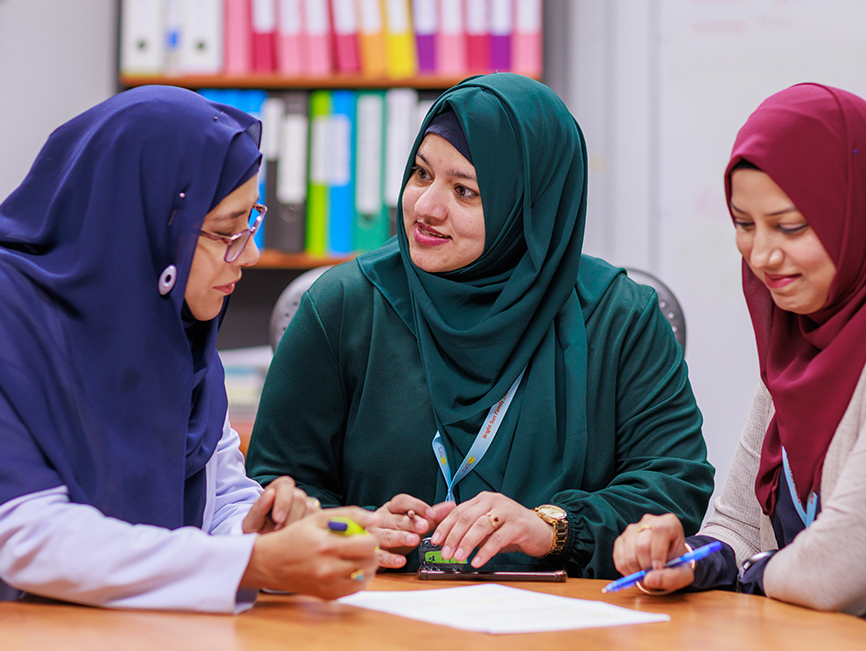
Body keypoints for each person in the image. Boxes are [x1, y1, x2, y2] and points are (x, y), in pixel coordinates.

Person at [246, 73, 714, 577]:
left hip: (567, 619)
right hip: (374, 612)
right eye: (421, 175)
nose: (425, 207)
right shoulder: (344, 305)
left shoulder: (619, 317)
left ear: (527, 206)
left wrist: (554, 527)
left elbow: (673, 482)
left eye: (465, 190)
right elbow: (276, 488)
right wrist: (348, 527)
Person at [0, 86, 378, 612]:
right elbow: (27, 536)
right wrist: (252, 563)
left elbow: (218, 493)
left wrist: (260, 530)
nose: (249, 253)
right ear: (151, 225)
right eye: (228, 231)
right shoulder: (12, 319)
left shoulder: (174, 322)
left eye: (252, 220)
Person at [611, 82, 866, 646]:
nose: (762, 255)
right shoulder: (796, 337)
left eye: (790, 226)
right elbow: (737, 525)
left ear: (860, 212)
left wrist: (746, 571)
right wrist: (690, 559)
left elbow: (839, 569)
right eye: (745, 224)